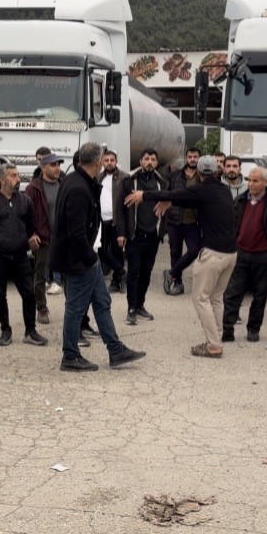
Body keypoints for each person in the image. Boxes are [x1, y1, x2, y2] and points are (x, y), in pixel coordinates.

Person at [128, 155, 237, 358]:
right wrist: (170, 201)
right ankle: (217, 337)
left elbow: (179, 193)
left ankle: (214, 345)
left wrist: (144, 194)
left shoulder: (201, 189)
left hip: (213, 254)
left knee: (200, 298)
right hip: (231, 254)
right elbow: (191, 200)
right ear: (217, 171)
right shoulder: (223, 190)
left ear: (199, 173)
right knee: (215, 298)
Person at [54, 142, 146, 371]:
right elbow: (75, 233)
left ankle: (115, 350)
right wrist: (89, 258)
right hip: (79, 259)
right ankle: (70, 356)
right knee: (76, 308)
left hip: (87, 256)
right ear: (97, 162)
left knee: (102, 301)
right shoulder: (78, 187)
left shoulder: (78, 180)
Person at [0, 164, 48, 347]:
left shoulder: (25, 200)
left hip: (20, 256)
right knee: (0, 294)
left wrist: (30, 236)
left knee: (29, 293)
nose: (18, 179)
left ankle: (31, 331)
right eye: (13, 176)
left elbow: (31, 224)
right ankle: (5, 330)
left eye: (18, 175)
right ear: (2, 179)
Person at [220, 167, 267, 342]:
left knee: (259, 296)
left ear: (265, 182)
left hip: (263, 257)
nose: (251, 184)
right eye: (249, 180)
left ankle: (253, 329)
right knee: (232, 294)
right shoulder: (239, 200)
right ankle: (227, 330)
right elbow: (230, 226)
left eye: (255, 181)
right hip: (240, 254)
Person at [114, 148, 165, 323]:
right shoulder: (129, 180)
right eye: (146, 158)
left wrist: (162, 230)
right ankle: (131, 309)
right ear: (141, 161)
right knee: (133, 273)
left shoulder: (162, 182)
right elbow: (120, 208)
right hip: (134, 236)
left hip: (152, 236)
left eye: (153, 159)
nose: (149, 162)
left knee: (146, 273)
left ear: (157, 163)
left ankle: (140, 305)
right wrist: (121, 233)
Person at [26, 152, 65, 323]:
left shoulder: (63, 184)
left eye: (59, 165)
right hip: (43, 237)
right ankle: (41, 308)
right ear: (43, 168)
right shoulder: (34, 188)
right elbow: (25, 213)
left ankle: (74, 309)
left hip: (62, 237)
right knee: (40, 275)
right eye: (53, 165)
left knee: (69, 274)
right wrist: (31, 233)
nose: (57, 168)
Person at [162, 148, 202, 296]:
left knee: (194, 251)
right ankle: (178, 283)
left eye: (195, 157)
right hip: (174, 220)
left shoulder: (202, 177)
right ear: (186, 158)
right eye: (190, 156)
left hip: (193, 222)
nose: (192, 159)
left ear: (199, 158)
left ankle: (171, 273)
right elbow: (166, 194)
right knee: (175, 252)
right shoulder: (175, 175)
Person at [98, 149, 128, 293]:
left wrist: (123, 229)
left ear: (116, 161)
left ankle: (116, 281)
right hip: (101, 221)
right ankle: (122, 272)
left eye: (112, 160)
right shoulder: (98, 177)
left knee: (117, 252)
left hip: (116, 220)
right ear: (102, 162)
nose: (109, 163)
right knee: (101, 251)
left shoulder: (124, 177)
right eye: (106, 160)